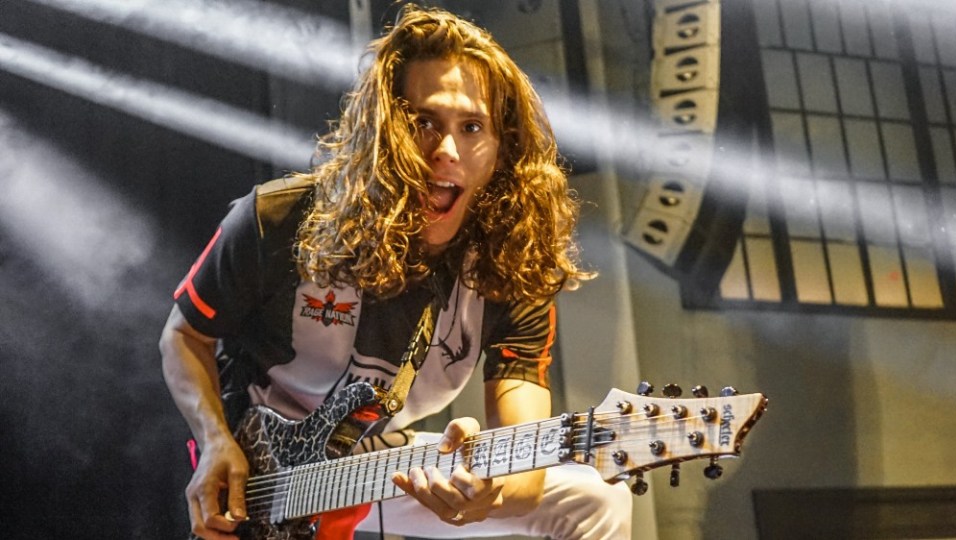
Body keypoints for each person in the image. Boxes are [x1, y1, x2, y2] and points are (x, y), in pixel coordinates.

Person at [160, 5, 632, 539]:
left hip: (373, 465)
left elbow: (523, 467)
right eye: (423, 122)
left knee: (597, 498)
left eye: (472, 127)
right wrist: (215, 440)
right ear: (384, 130)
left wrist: (486, 495)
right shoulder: (278, 217)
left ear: (502, 149)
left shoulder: (512, 264)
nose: (445, 150)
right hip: (256, 477)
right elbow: (184, 337)